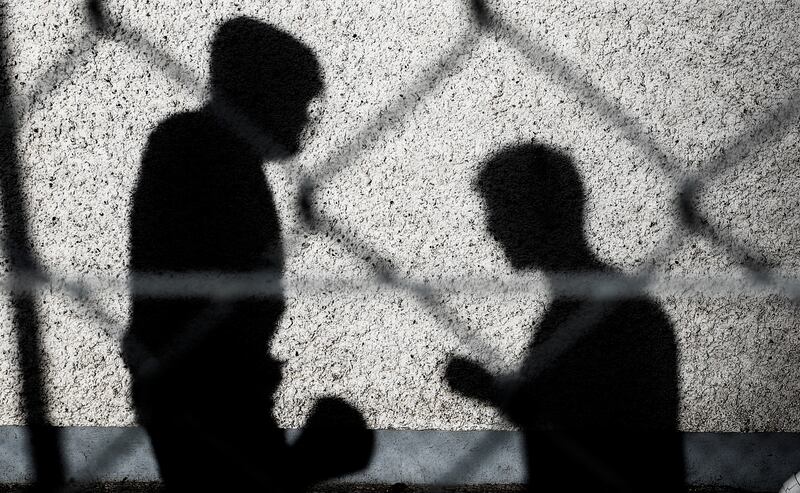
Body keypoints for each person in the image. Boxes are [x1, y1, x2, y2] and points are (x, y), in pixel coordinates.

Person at [125, 17, 371, 491]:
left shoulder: (216, 152)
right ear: (263, 91)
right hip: (208, 386)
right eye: (299, 101)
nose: (304, 118)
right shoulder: (202, 149)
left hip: (211, 381)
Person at [446, 142, 685, 492]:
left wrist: (496, 393)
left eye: (500, 209)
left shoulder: (611, 315)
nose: (492, 228)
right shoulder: (604, 307)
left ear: (542, 211)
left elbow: (589, 435)